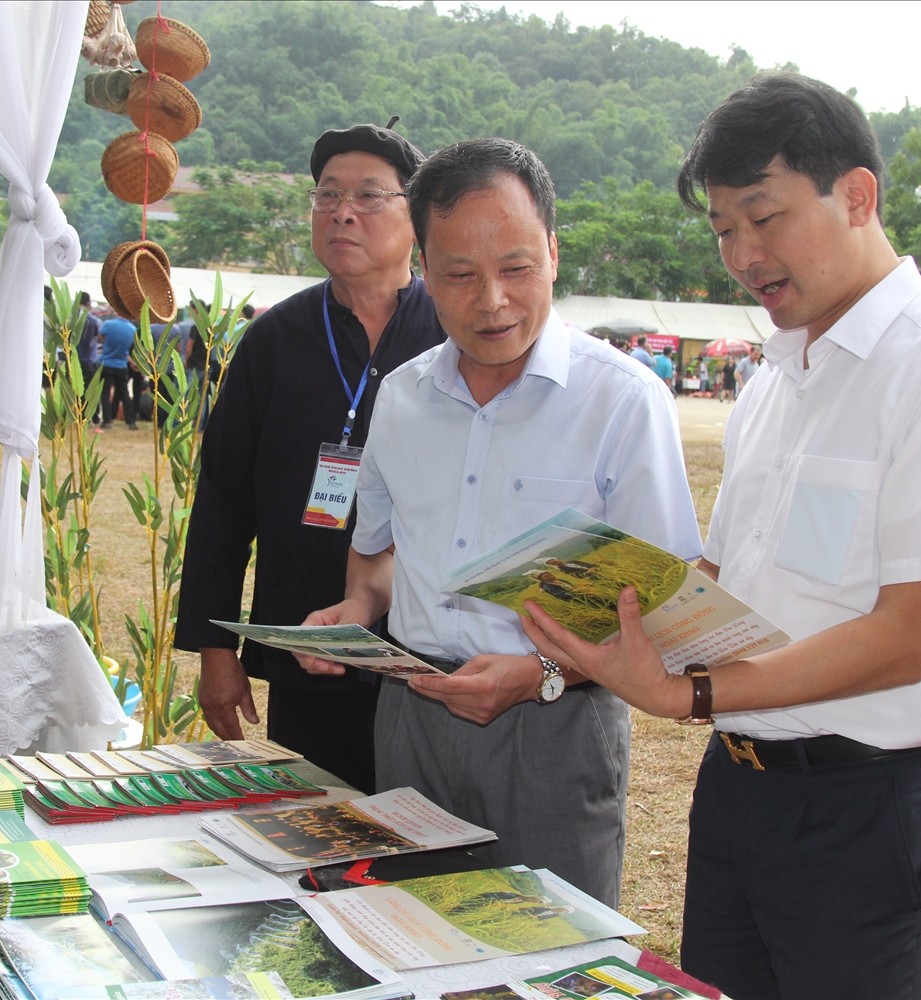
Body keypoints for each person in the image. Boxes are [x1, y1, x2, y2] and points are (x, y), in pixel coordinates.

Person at [521, 72, 921, 999]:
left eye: (764, 217)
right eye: (724, 229)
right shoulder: (775, 378)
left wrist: (689, 696)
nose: (743, 253)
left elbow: (908, 637)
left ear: (858, 196)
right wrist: (604, 612)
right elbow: (728, 577)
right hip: (741, 785)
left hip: (867, 804)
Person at [299, 138, 701, 905]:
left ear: (553, 252)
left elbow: (665, 605)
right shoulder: (405, 396)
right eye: (459, 275)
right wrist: (356, 610)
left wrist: (543, 673)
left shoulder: (620, 400)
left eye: (516, 269)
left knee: (547, 949)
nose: (491, 302)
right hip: (412, 712)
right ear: (423, 265)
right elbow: (379, 554)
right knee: (411, 931)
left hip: (551, 725)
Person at [173, 121, 446, 793]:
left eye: (368, 196)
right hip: (308, 644)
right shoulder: (273, 339)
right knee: (320, 837)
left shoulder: (453, 330)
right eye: (326, 195)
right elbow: (223, 500)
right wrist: (216, 650)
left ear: (417, 218)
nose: (341, 212)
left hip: (434, 656)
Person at [98, 311, 137, 430]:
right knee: (124, 393)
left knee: (105, 393)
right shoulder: (133, 329)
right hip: (121, 365)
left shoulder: (108, 324)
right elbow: (130, 348)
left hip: (106, 363)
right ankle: (131, 422)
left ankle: (107, 421)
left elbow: (100, 338)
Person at [75, 291, 103, 427]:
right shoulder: (94, 321)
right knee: (91, 390)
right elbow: (100, 336)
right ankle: (94, 417)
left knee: (76, 389)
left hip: (75, 361)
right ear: (88, 303)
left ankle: (78, 416)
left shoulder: (71, 320)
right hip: (90, 361)